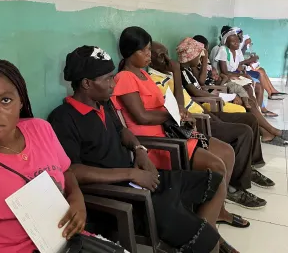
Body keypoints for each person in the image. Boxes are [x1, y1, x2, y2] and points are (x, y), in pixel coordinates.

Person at [48, 45, 229, 253]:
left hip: (139, 179)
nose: (112, 84)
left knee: (216, 183)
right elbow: (74, 171)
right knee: (207, 242)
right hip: (122, 195)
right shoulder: (63, 119)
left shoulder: (103, 104)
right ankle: (202, 238)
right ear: (87, 83)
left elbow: (122, 132)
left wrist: (140, 150)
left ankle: (200, 235)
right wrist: (131, 173)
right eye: (107, 79)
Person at [0, 59, 89, 253]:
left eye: (5, 100)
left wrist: (76, 198)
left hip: (65, 242)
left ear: (21, 102)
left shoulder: (40, 129)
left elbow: (66, 170)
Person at [149, 41, 273, 210]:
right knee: (242, 132)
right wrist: (177, 74)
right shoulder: (155, 79)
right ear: (149, 58)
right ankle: (235, 187)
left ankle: (250, 165)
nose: (167, 59)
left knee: (250, 119)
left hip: (203, 111)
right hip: (196, 119)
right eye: (161, 55)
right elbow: (178, 108)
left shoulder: (168, 73)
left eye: (166, 53)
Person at [210, 30, 288, 146]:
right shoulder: (222, 50)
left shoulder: (235, 51)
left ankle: (267, 132)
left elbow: (239, 66)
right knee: (249, 97)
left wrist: (243, 72)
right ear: (227, 42)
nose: (237, 44)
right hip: (225, 81)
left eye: (237, 41)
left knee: (252, 95)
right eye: (233, 42)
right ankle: (272, 131)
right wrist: (240, 74)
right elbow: (225, 72)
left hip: (234, 77)